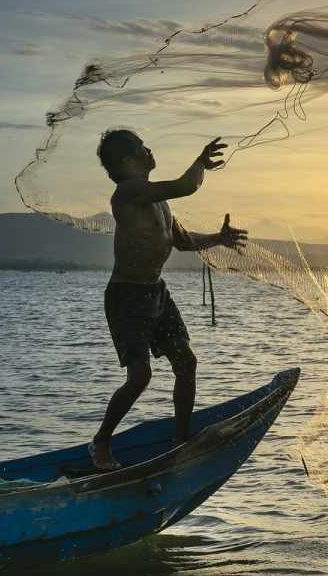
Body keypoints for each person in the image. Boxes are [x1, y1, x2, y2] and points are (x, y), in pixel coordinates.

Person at [88, 129, 248, 471]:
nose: (150, 150)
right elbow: (186, 185)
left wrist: (218, 239)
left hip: (156, 292)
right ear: (129, 161)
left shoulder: (158, 200)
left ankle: (180, 440)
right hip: (127, 296)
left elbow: (184, 242)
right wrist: (201, 162)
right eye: (143, 148)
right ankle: (101, 442)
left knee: (186, 363)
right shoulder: (128, 193)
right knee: (140, 376)